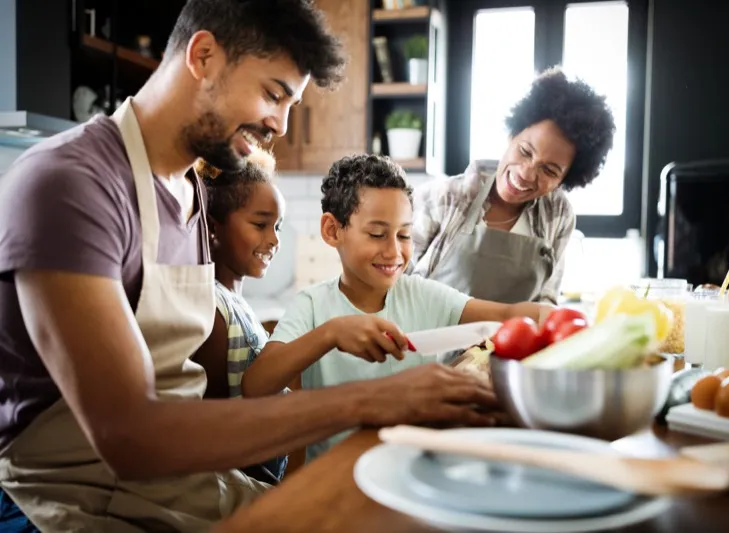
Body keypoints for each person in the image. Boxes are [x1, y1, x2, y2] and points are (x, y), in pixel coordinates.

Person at [0, 1, 498, 531]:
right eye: (273, 93)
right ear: (205, 56)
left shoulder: (188, 191)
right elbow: (129, 436)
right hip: (70, 501)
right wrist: (373, 399)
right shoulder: (70, 184)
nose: (280, 124)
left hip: (180, 481)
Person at [241, 154, 552, 462]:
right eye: (377, 234)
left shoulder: (423, 294)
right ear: (333, 230)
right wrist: (330, 334)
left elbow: (510, 316)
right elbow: (256, 386)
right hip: (334, 477)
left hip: (409, 469)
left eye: (404, 235)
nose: (394, 251)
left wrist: (567, 322)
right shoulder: (312, 305)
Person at [410, 67, 616, 305]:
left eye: (549, 170)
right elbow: (395, 292)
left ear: (565, 179)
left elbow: (546, 302)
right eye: (525, 151)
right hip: (431, 341)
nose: (526, 174)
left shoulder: (558, 214)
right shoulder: (440, 198)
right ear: (512, 136)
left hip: (515, 342)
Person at [192, 150, 291, 484]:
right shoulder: (214, 314)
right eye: (260, 224)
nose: (274, 239)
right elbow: (213, 434)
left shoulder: (234, 302)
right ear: (213, 225)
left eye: (277, 226)